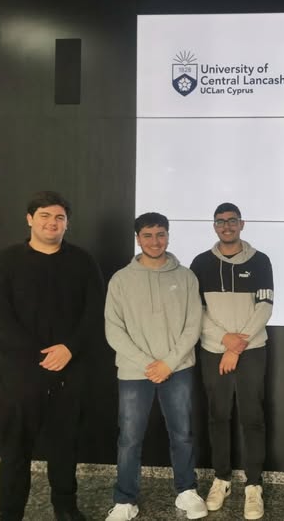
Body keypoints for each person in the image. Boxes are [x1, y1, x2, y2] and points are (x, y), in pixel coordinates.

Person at [0, 191, 104, 521]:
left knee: (65, 444)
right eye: (44, 215)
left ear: (67, 224)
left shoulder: (83, 262)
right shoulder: (6, 261)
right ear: (30, 219)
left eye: (59, 218)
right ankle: (10, 511)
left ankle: (65, 507)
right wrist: (37, 356)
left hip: (70, 368)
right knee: (16, 446)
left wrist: (69, 348)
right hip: (21, 371)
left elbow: (95, 312)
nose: (52, 223)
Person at [104, 212, 207, 521]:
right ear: (138, 239)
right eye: (147, 235)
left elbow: (194, 325)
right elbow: (113, 329)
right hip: (134, 372)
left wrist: (169, 363)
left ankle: (186, 491)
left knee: (182, 433)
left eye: (160, 234)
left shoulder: (186, 277)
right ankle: (125, 499)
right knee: (129, 438)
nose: (155, 241)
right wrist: (148, 364)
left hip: (178, 369)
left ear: (168, 236)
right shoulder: (121, 280)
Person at [190, 202, 273, 521]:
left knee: (252, 417)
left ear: (242, 224)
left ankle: (254, 485)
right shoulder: (200, 263)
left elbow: (265, 306)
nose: (226, 226)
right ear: (214, 226)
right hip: (214, 350)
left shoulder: (261, 261)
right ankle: (222, 479)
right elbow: (196, 310)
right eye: (220, 221)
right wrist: (225, 340)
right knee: (218, 416)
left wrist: (237, 346)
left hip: (251, 350)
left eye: (232, 220)